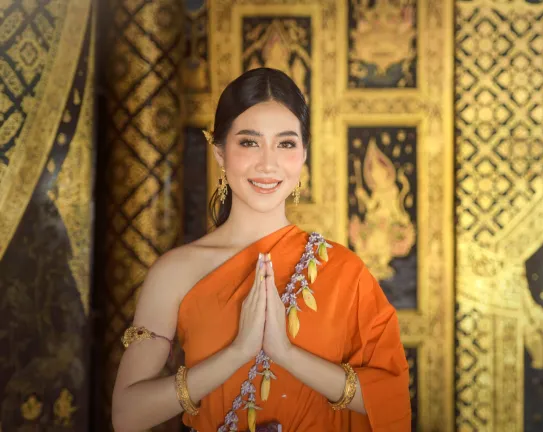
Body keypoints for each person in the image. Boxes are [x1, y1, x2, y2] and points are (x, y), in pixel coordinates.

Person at [111, 68, 411, 432]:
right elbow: (126, 416)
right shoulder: (175, 272)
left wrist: (286, 353)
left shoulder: (344, 270)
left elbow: (391, 399)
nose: (268, 163)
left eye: (285, 144)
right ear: (220, 152)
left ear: (303, 155)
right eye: (249, 142)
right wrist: (238, 352)